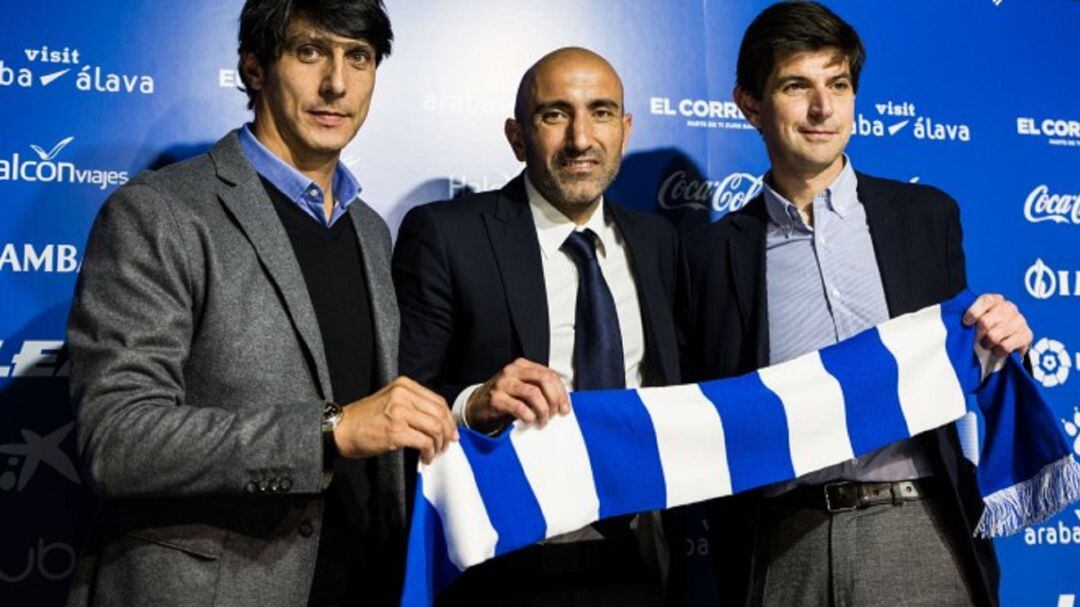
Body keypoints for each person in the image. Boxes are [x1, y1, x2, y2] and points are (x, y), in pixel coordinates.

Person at [65, 1, 457, 605]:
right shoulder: (161, 212)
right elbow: (117, 439)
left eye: (358, 57)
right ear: (253, 68)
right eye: (309, 52)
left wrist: (471, 411)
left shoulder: (371, 231)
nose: (337, 83)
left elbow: (381, 423)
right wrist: (327, 432)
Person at [680, 3, 1032, 606]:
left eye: (837, 85)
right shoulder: (708, 256)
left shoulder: (927, 219)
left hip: (917, 527)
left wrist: (1002, 337)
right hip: (784, 541)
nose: (823, 109)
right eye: (797, 86)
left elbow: (967, 358)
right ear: (750, 105)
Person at [392, 47, 679, 605]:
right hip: (504, 557)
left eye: (600, 113)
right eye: (554, 114)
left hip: (639, 558)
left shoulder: (658, 242)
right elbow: (399, 396)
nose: (580, 138)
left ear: (625, 130)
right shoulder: (448, 234)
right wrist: (474, 402)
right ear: (517, 136)